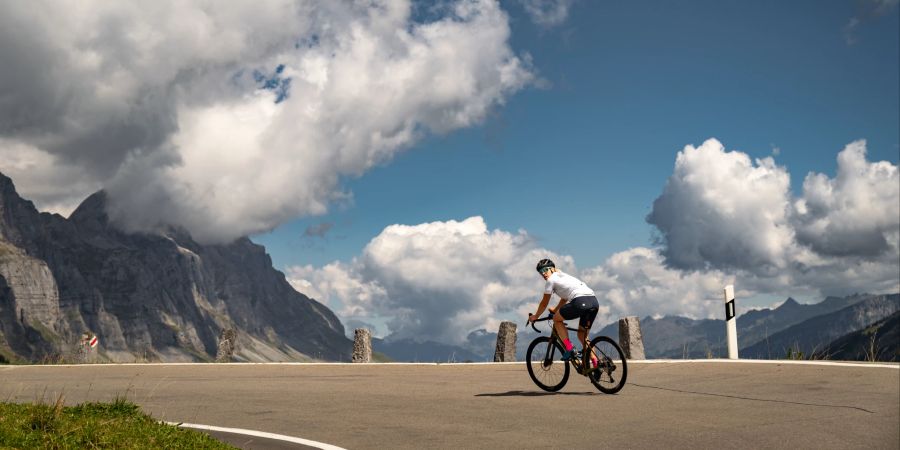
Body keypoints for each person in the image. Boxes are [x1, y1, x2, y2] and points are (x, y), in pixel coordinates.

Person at [527, 258, 600, 366]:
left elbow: (544, 302)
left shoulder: (551, 280)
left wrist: (536, 316)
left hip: (579, 301)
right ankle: (597, 364)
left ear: (552, 269)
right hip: (594, 302)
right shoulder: (564, 276)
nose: (544, 274)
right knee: (582, 336)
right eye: (541, 272)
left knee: (556, 319)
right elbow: (564, 298)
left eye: (545, 270)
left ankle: (570, 348)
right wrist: (555, 310)